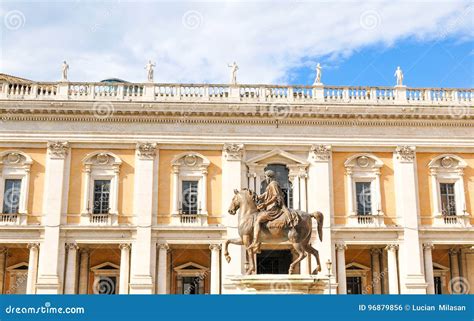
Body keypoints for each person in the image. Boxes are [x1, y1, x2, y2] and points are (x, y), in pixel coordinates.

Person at [249, 170, 293, 252]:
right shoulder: (270, 185)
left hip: (274, 208)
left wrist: (265, 204)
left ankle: (255, 242)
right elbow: (265, 194)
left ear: (269, 177)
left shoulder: (273, 184)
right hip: (270, 207)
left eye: (265, 177)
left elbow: (275, 196)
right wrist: (256, 197)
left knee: (258, 220)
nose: (265, 179)